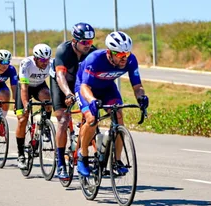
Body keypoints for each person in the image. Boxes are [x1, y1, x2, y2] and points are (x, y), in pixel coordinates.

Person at [74, 31, 149, 177]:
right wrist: (92, 101)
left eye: (126, 54)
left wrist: (142, 97)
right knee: (91, 119)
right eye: (120, 55)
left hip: (107, 87)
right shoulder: (94, 59)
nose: (124, 58)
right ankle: (82, 156)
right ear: (109, 52)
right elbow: (84, 87)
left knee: (119, 116)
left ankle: (116, 161)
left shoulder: (131, 60)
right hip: (85, 88)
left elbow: (137, 86)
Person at [49, 22, 96, 180]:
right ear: (74, 41)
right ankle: (60, 161)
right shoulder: (64, 50)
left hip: (80, 84)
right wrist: (68, 94)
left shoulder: (92, 53)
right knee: (63, 119)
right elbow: (60, 77)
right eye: (84, 42)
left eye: (90, 42)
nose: (87, 46)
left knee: (92, 116)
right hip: (61, 83)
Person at [15, 44, 52, 170]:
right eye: (42, 60)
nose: (45, 63)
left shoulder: (51, 64)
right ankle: (20, 155)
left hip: (39, 86)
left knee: (48, 99)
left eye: (47, 60)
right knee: (22, 119)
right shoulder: (26, 64)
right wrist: (26, 105)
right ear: (35, 58)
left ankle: (45, 127)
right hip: (25, 87)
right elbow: (24, 88)